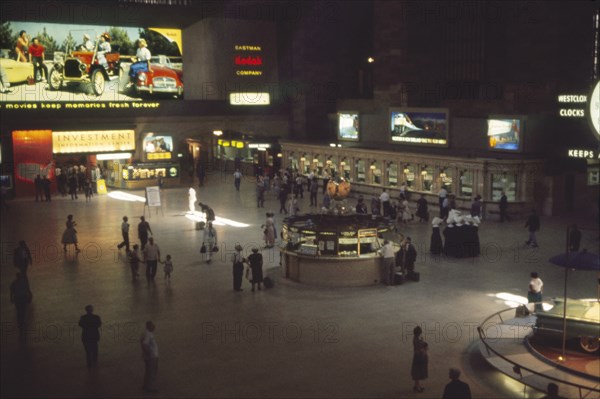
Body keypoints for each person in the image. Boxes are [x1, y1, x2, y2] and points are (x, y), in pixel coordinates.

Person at [140, 321, 159, 393]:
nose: (154, 326)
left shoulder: (145, 333)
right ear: (149, 326)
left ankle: (145, 385)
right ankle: (150, 388)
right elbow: (145, 344)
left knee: (148, 372)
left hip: (149, 357)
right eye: (152, 325)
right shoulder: (148, 335)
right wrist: (150, 353)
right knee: (152, 372)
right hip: (152, 357)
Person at [411, 325, 428, 393]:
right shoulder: (417, 341)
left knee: (417, 372)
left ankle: (417, 385)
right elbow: (423, 346)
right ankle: (417, 387)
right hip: (418, 358)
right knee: (418, 372)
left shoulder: (415, 339)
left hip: (416, 356)